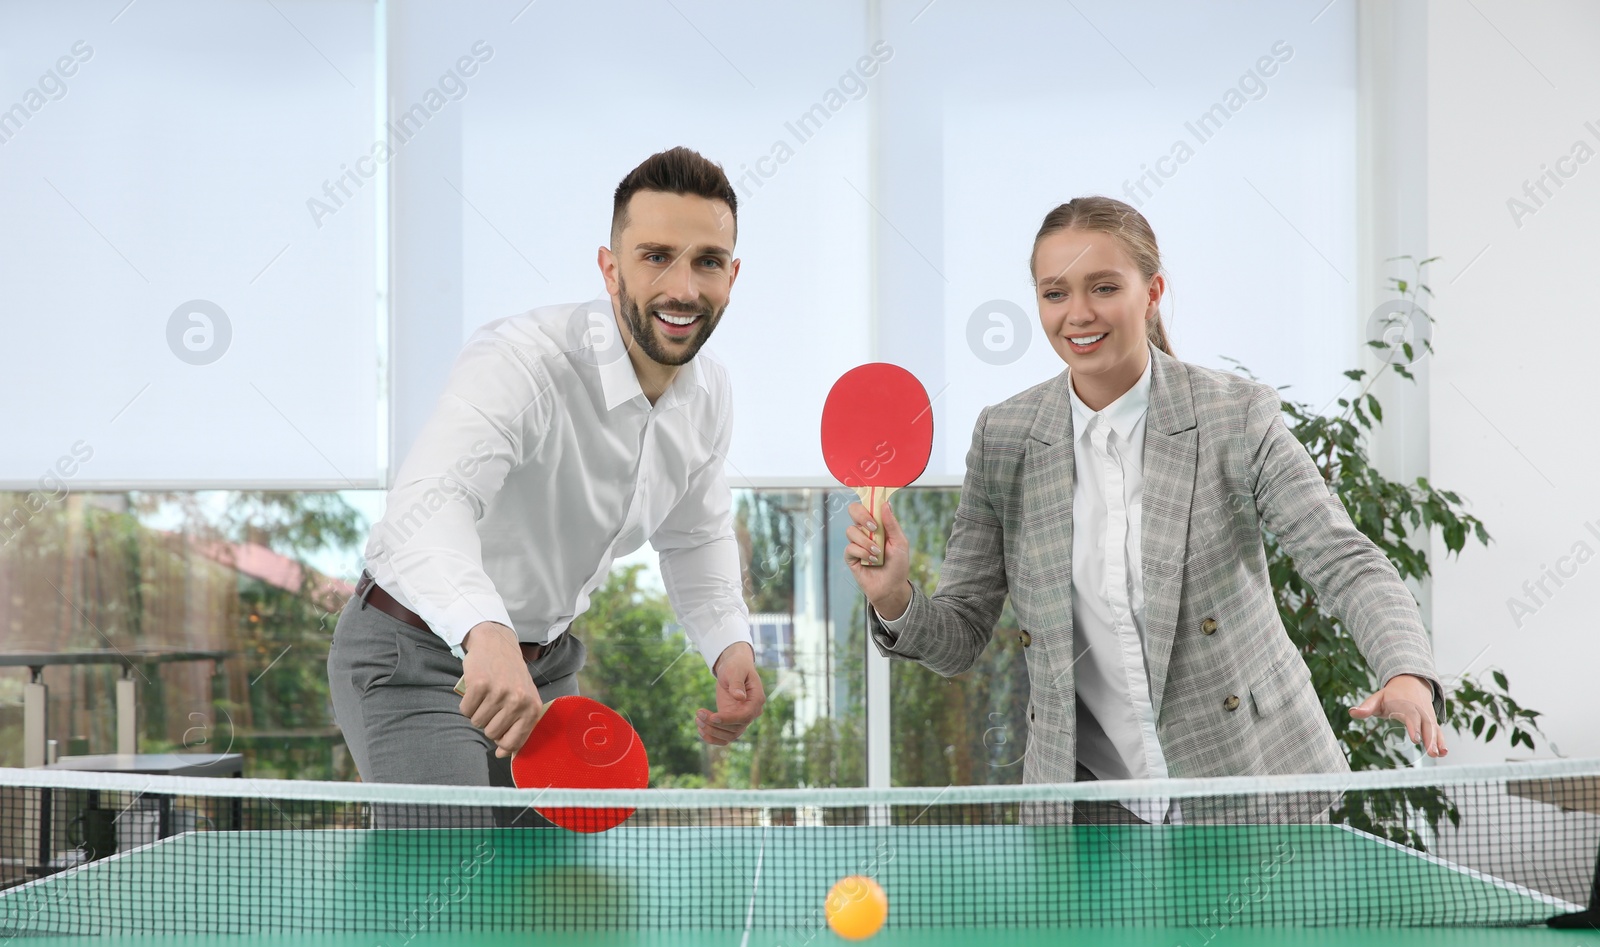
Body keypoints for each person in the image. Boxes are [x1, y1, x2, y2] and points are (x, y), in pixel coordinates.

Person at [844, 196, 1445, 824]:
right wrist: (894, 597)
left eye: (1103, 287)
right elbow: (961, 638)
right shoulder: (1005, 437)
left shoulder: (1234, 415)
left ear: (1151, 291)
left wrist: (1405, 670)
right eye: (1055, 294)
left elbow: (1343, 559)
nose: (1078, 313)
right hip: (1091, 805)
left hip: (1250, 785)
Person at [328, 147, 764, 820]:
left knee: (546, 890)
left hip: (544, 669)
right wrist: (485, 630)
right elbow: (431, 505)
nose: (683, 287)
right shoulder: (524, 362)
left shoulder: (711, 394)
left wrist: (729, 644)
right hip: (412, 652)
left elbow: (696, 533)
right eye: (655, 256)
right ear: (609, 267)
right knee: (447, 874)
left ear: (731, 277)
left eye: (707, 261)